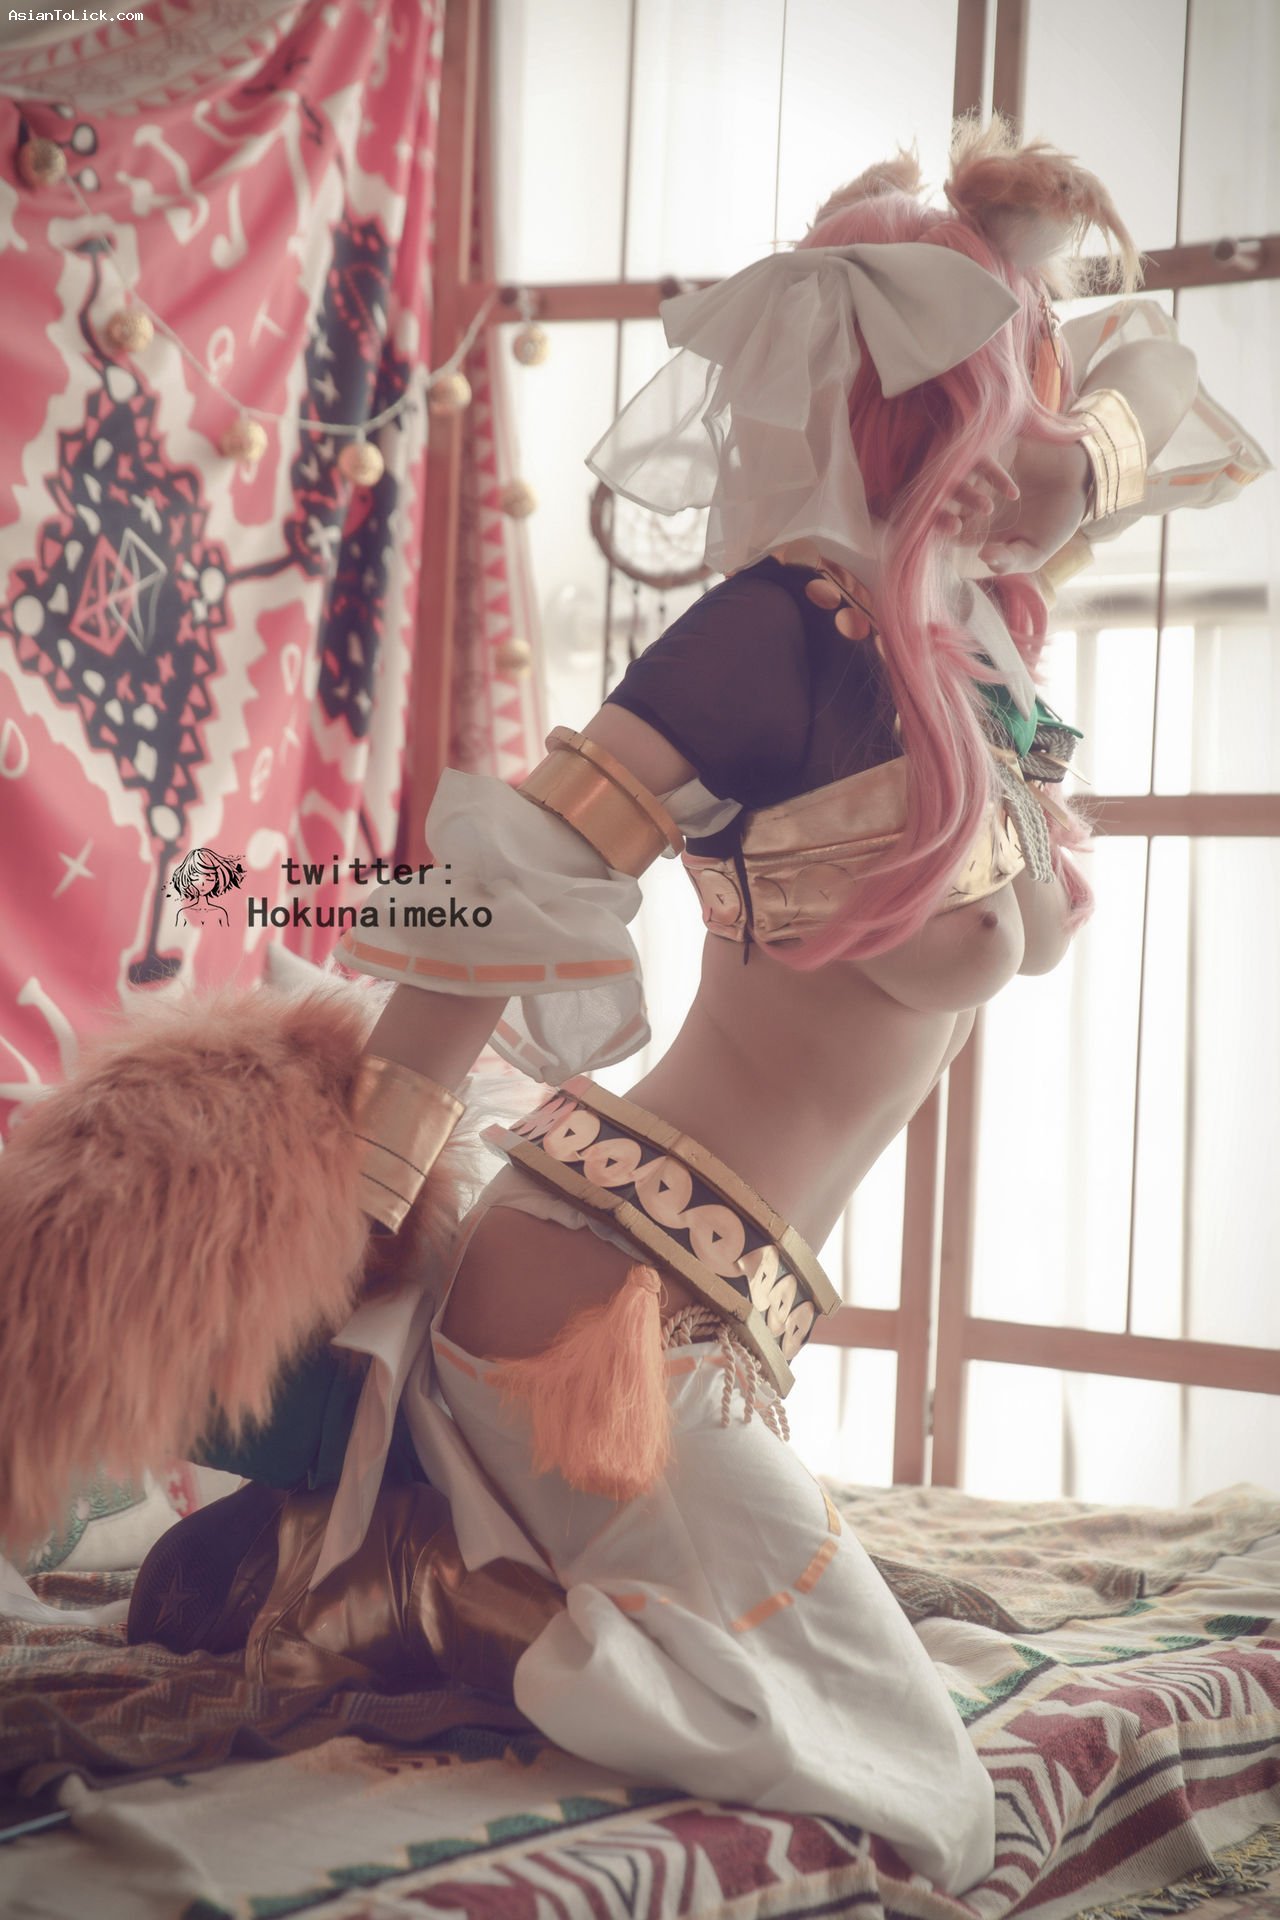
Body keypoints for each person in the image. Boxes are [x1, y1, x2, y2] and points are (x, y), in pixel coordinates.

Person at [0, 120, 1267, 1897]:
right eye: (999, 397)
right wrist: (364, 1198)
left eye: (1034, 398)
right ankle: (400, 1586)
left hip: (720, 1305)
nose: (1042, 447)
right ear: (910, 416)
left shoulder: (970, 635)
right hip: (597, 1299)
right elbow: (504, 894)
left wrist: (1053, 385)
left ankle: (450, 1553)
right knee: (913, 1784)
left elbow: (1164, 399)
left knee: (857, 1700)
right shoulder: (777, 634)